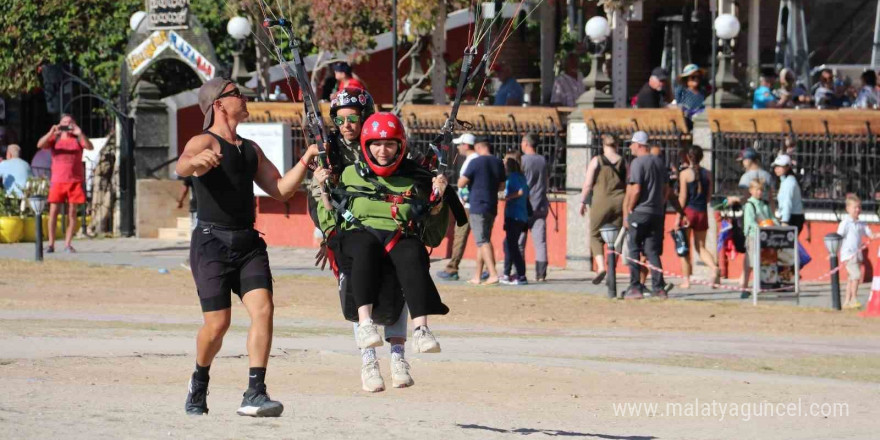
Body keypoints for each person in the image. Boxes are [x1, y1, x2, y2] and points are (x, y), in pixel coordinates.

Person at [176, 78, 318, 417]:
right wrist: (197, 163)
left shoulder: (250, 148)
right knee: (218, 324)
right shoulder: (202, 140)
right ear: (219, 104)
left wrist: (307, 158)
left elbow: (281, 190)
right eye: (236, 92)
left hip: (247, 243)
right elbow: (182, 165)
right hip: (211, 242)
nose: (244, 97)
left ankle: (255, 392)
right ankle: (199, 381)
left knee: (264, 309)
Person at [314, 112, 450, 389]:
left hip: (397, 238)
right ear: (366, 145)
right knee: (364, 249)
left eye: (389, 144)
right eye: (376, 144)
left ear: (401, 146)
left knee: (412, 253)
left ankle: (421, 330)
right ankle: (367, 338)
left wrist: (437, 201)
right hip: (359, 238)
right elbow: (329, 215)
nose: (383, 150)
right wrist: (322, 187)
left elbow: (432, 233)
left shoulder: (414, 178)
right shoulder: (350, 173)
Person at [308, 88, 416, 392]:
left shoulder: (386, 145)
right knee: (357, 287)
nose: (347, 126)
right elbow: (317, 198)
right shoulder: (327, 151)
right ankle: (368, 360)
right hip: (349, 230)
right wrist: (327, 234)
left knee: (400, 280)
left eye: (354, 118)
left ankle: (397, 355)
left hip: (387, 224)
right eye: (340, 120)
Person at [622, 131, 688, 299]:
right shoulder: (659, 163)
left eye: (632, 144)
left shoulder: (637, 163)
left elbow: (636, 189)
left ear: (639, 145)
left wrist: (630, 208)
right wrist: (664, 204)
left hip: (640, 212)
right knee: (652, 252)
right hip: (657, 213)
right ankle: (659, 288)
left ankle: (635, 287)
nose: (630, 147)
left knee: (634, 249)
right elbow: (668, 189)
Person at [36, 114, 94, 253]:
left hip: (74, 181)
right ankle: (51, 244)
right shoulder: (54, 138)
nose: (67, 125)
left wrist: (79, 133)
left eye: (70, 122)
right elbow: (40, 144)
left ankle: (68, 244)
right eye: (64, 122)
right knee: (53, 212)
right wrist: (51, 132)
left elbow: (89, 147)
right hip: (58, 181)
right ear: (59, 124)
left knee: (72, 213)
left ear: (74, 124)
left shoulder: (77, 139)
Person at [579, 134, 625, 285]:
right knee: (616, 237)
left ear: (603, 145)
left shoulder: (596, 161)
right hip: (620, 201)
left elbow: (587, 184)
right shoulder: (623, 161)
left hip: (601, 201)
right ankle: (612, 269)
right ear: (617, 145)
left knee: (595, 234)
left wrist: (582, 201)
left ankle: (600, 267)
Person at [459, 136, 506, 285]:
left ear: (478, 147)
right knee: (483, 239)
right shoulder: (498, 162)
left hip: (477, 204)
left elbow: (461, 183)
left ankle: (493, 274)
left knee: (482, 240)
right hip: (492, 205)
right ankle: (477, 276)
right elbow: (502, 186)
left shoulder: (475, 161)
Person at [676, 145, 719, 288]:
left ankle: (686, 280)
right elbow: (708, 198)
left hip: (688, 213)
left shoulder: (685, 174)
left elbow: (682, 198)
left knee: (684, 246)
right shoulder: (708, 174)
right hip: (702, 213)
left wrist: (678, 218)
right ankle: (714, 268)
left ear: (688, 157)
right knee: (700, 247)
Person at [437, 133, 478, 281]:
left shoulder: (471, 161)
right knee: (481, 238)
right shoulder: (474, 159)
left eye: (460, 144)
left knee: (460, 236)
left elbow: (462, 182)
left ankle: (452, 268)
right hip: (471, 204)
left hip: (468, 205)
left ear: (466, 145)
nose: (459, 147)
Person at [518, 133, 549, 282]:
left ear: (526, 143)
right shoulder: (543, 160)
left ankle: (520, 272)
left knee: (520, 241)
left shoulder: (522, 161)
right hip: (540, 205)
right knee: (540, 242)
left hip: (524, 205)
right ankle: (541, 274)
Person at [740, 178, 775, 297]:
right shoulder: (750, 205)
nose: (759, 192)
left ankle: (759, 286)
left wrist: (777, 224)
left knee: (762, 262)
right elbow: (750, 222)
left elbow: (771, 217)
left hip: (765, 237)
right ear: (751, 191)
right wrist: (762, 227)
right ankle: (745, 288)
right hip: (753, 237)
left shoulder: (765, 204)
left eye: (761, 190)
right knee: (750, 264)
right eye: (757, 190)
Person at [838, 194, 874, 309]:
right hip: (848, 255)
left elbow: (871, 235)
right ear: (848, 209)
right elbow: (838, 237)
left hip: (857, 254)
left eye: (859, 207)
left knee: (851, 278)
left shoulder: (861, 223)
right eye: (855, 207)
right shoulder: (845, 223)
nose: (858, 210)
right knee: (856, 275)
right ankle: (853, 299)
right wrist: (833, 252)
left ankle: (847, 301)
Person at [501, 153, 529, 285]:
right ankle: (507, 273)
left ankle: (521, 274)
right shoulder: (522, 177)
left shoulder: (512, 177)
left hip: (514, 215)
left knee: (512, 246)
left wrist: (509, 197)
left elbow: (521, 192)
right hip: (521, 215)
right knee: (508, 244)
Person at [771, 154, 804, 235]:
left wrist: (785, 222)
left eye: (780, 166)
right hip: (790, 216)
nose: (776, 169)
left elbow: (787, 202)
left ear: (788, 167)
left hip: (792, 218)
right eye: (775, 166)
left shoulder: (789, 183)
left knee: (786, 245)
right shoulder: (785, 181)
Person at [177, 176, 198, 270]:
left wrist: (180, 201)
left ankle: (192, 260)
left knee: (196, 233)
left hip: (197, 207)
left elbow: (184, 189)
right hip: (207, 208)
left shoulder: (192, 173)